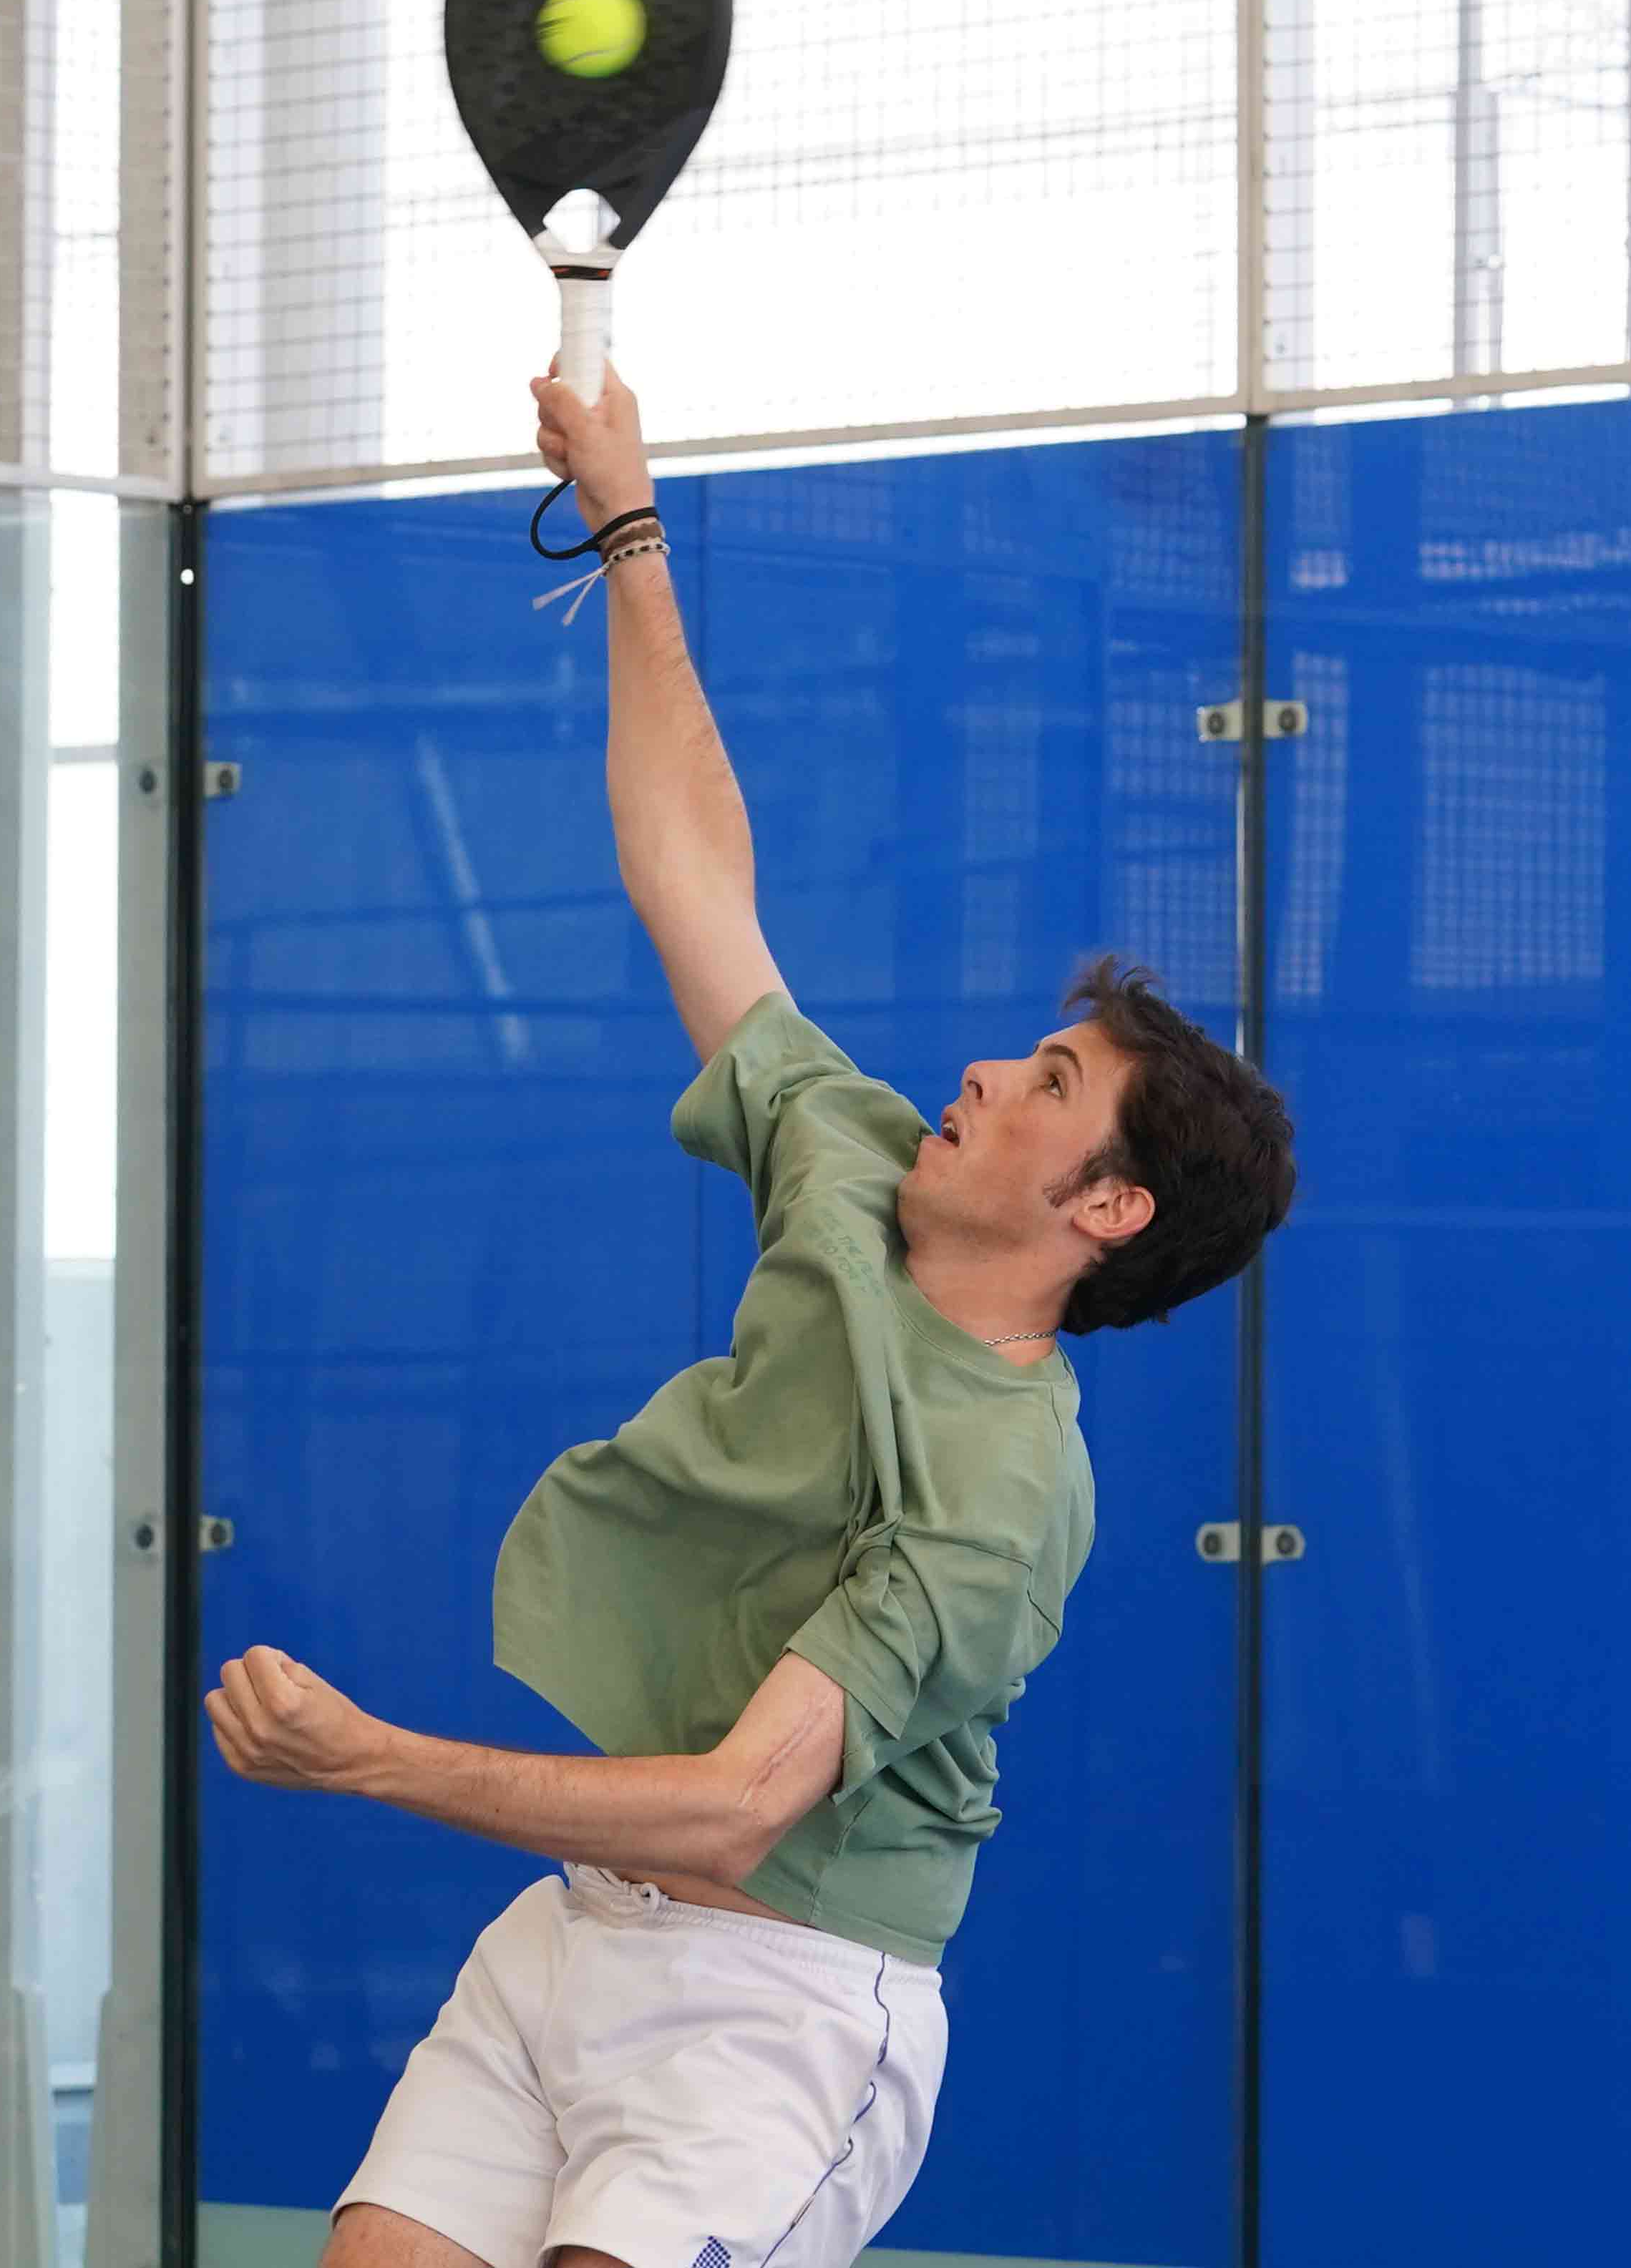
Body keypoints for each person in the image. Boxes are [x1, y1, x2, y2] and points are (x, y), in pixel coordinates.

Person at [205, 363, 1298, 2268]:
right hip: (572, 1935)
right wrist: (629, 526)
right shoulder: (849, 1157)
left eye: (1048, 1084)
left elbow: (735, 1810)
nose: (987, 1071)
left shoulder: (1000, 1491)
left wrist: (368, 1758)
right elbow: (691, 868)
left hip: (778, 2013)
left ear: (1107, 1208)